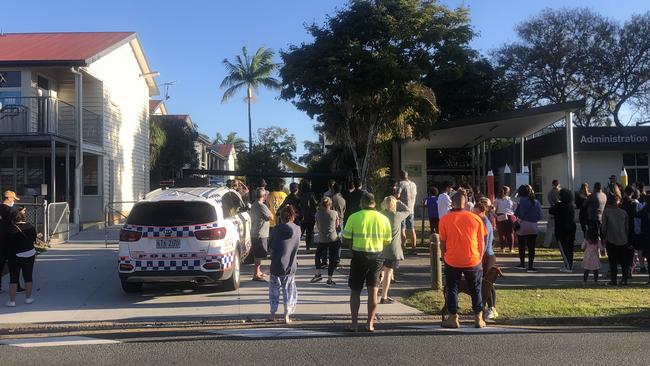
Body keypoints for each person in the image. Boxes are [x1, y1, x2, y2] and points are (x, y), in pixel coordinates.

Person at [342, 192, 391, 332]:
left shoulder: (354, 217)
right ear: (374, 203)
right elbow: (387, 240)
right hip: (376, 257)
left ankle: (354, 324)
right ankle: (370, 323)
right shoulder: (383, 218)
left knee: (355, 291)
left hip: (358, 256)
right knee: (373, 291)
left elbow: (345, 237)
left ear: (362, 203)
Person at [439, 188, 487, 328]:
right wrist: (480, 257)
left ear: (451, 204)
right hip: (472, 258)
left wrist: (444, 256)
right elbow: (481, 241)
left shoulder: (444, 219)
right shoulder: (476, 218)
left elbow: (442, 242)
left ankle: (453, 317)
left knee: (452, 288)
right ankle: (478, 318)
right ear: (465, 202)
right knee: (475, 288)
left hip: (452, 259)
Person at [267, 206, 301, 323]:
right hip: (290, 266)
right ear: (293, 216)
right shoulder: (297, 230)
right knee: (289, 292)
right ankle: (286, 315)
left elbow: (270, 246)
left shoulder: (275, 230)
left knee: (274, 292)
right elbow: (296, 246)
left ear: (280, 217)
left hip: (276, 265)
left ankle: (272, 314)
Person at [379, 196, 409, 304]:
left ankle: (375, 289)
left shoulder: (380, 214)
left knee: (382, 269)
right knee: (388, 272)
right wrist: (400, 202)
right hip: (393, 249)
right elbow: (408, 210)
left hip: (381, 247)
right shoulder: (397, 215)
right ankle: (384, 296)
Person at [6, 208, 36, 307]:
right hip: (30, 253)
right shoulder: (30, 227)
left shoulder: (10, 229)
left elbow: (8, 244)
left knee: (14, 279)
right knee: (28, 277)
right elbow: (33, 239)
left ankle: (12, 301)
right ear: (23, 217)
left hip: (15, 256)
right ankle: (28, 298)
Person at [473, 198, 497, 320]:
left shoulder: (485, 223)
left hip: (487, 256)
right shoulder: (479, 221)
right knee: (484, 283)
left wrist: (478, 259)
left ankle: (491, 308)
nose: (472, 214)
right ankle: (485, 307)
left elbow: (485, 244)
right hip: (482, 255)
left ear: (482, 212)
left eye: (475, 212)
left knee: (487, 283)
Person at [602, 195, 630, 286]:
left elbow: (604, 227)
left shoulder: (606, 212)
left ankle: (613, 280)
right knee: (624, 262)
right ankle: (624, 279)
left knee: (613, 261)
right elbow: (627, 227)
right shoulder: (624, 212)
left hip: (611, 238)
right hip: (623, 239)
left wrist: (604, 237)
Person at [312, 197, 340, 286]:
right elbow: (337, 225)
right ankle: (329, 279)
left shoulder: (317, 214)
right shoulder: (335, 213)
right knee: (331, 259)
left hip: (323, 239)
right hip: (333, 238)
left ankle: (318, 273)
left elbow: (318, 226)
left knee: (318, 255)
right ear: (330, 204)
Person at [514, 185, 542, 272]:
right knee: (531, 247)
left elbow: (516, 213)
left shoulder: (520, 201)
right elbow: (540, 216)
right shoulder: (536, 202)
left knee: (521, 245)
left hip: (522, 225)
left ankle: (522, 263)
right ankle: (530, 266)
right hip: (533, 226)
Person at [549, 189, 577, 272]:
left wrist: (555, 203)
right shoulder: (570, 205)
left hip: (561, 229)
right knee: (570, 247)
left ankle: (568, 266)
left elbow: (551, 211)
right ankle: (569, 264)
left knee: (564, 248)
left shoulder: (559, 205)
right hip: (571, 228)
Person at [0, 191, 22, 294]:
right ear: (9, 198)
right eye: (13, 199)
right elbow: (18, 225)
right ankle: (16, 286)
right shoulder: (12, 211)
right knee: (13, 266)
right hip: (10, 242)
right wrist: (21, 214)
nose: (13, 201)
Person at [250, 188, 272, 282]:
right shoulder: (261, 206)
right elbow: (270, 217)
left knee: (258, 254)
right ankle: (256, 274)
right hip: (260, 233)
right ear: (264, 196)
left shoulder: (254, 204)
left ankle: (258, 271)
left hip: (255, 232)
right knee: (258, 255)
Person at [396, 170, 418, 255]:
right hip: (411, 209)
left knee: (402, 229)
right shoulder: (413, 184)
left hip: (402, 210)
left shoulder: (400, 184)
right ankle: (414, 248)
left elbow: (397, 195)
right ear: (407, 175)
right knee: (412, 229)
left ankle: (403, 248)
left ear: (400, 176)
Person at [494, 186, 516, 253]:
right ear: (508, 192)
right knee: (510, 233)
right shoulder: (511, 200)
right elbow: (514, 208)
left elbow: (494, 209)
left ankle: (502, 248)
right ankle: (511, 249)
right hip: (510, 216)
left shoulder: (497, 199)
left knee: (501, 233)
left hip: (500, 216)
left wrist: (495, 216)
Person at [298, 180, 318, 253]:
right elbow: (315, 203)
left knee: (300, 232)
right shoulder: (311, 194)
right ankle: (307, 248)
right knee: (309, 233)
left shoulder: (300, 195)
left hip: (302, 216)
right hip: (310, 216)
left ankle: (295, 246)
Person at [544, 180, 561, 247]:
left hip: (553, 211)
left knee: (549, 228)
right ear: (558, 184)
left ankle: (546, 244)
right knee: (560, 228)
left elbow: (551, 202)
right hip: (560, 211)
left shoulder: (550, 193)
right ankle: (560, 242)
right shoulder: (560, 192)